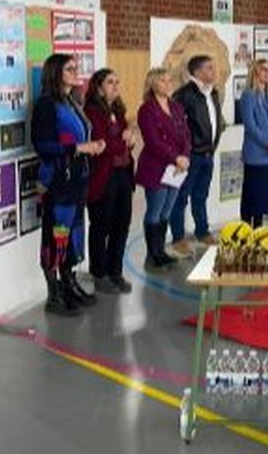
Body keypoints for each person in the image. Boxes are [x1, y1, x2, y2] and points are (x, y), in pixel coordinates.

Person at [31, 54, 106, 313]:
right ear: (56, 73)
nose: (77, 72)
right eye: (70, 68)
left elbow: (80, 136)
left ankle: (69, 284)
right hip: (58, 183)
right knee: (56, 237)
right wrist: (78, 147)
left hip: (77, 180)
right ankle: (54, 295)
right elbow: (43, 145)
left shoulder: (72, 101)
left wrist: (93, 145)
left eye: (77, 67)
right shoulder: (46, 104)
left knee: (73, 235)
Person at [83, 68, 136, 295]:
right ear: (98, 87)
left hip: (123, 172)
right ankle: (99, 273)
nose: (115, 86)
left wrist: (130, 139)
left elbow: (123, 140)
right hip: (104, 176)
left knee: (121, 225)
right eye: (110, 82)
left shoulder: (118, 109)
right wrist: (123, 140)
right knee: (101, 226)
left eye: (117, 81)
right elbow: (103, 146)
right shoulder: (93, 111)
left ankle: (116, 271)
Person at [135, 67, 191, 271]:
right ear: (153, 84)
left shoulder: (177, 107)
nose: (168, 84)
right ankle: (153, 254)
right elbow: (153, 141)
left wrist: (184, 156)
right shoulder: (147, 110)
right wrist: (175, 158)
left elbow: (186, 135)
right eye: (163, 81)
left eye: (169, 80)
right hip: (157, 167)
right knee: (155, 211)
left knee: (167, 211)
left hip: (177, 168)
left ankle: (161, 250)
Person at [169, 54, 224, 257]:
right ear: (198, 72)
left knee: (201, 196)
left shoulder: (213, 93)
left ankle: (202, 231)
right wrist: (182, 154)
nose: (214, 71)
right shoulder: (183, 94)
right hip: (191, 156)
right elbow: (176, 127)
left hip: (208, 154)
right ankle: (178, 237)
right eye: (210, 68)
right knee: (181, 198)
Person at [238, 59, 268, 229]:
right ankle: (245, 229)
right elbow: (250, 126)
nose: (267, 73)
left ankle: (258, 229)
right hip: (255, 154)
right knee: (251, 195)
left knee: (263, 197)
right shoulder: (249, 95)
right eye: (263, 69)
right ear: (255, 72)